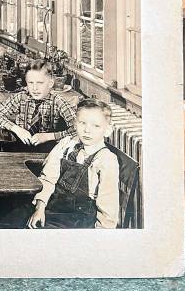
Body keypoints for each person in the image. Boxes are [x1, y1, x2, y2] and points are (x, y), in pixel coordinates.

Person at [27, 98, 119, 229]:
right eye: (83, 123)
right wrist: (40, 208)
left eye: (96, 126)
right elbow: (47, 178)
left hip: (77, 220)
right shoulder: (66, 144)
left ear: (108, 129)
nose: (87, 130)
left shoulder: (106, 159)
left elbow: (108, 208)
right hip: (51, 206)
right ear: (75, 124)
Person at [0, 59, 77, 152]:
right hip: (19, 146)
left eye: (40, 83)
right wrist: (17, 129)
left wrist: (49, 136)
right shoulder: (21, 97)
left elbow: (77, 130)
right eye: (31, 83)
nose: (35, 88)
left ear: (50, 83)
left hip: (47, 151)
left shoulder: (58, 101)